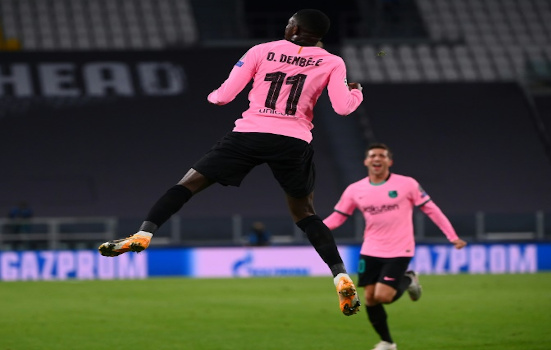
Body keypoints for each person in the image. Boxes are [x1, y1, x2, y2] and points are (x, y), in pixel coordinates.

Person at [98, 9, 363, 316]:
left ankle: (143, 234)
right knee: (305, 214)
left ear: (296, 27)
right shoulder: (332, 61)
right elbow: (343, 108)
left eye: (289, 20)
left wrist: (212, 96)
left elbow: (223, 97)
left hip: (249, 133)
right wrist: (356, 93)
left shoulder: (262, 50)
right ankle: (341, 276)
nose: (286, 23)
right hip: (292, 141)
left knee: (188, 185)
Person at [323, 143, 467, 349]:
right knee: (370, 299)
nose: (377, 158)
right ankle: (387, 342)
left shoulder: (407, 184)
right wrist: (315, 229)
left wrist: (452, 236)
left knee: (383, 296)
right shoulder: (355, 190)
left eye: (382, 155)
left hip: (400, 248)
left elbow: (431, 209)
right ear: (366, 161)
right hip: (370, 249)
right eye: (372, 155)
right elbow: (338, 218)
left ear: (389, 161)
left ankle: (408, 279)